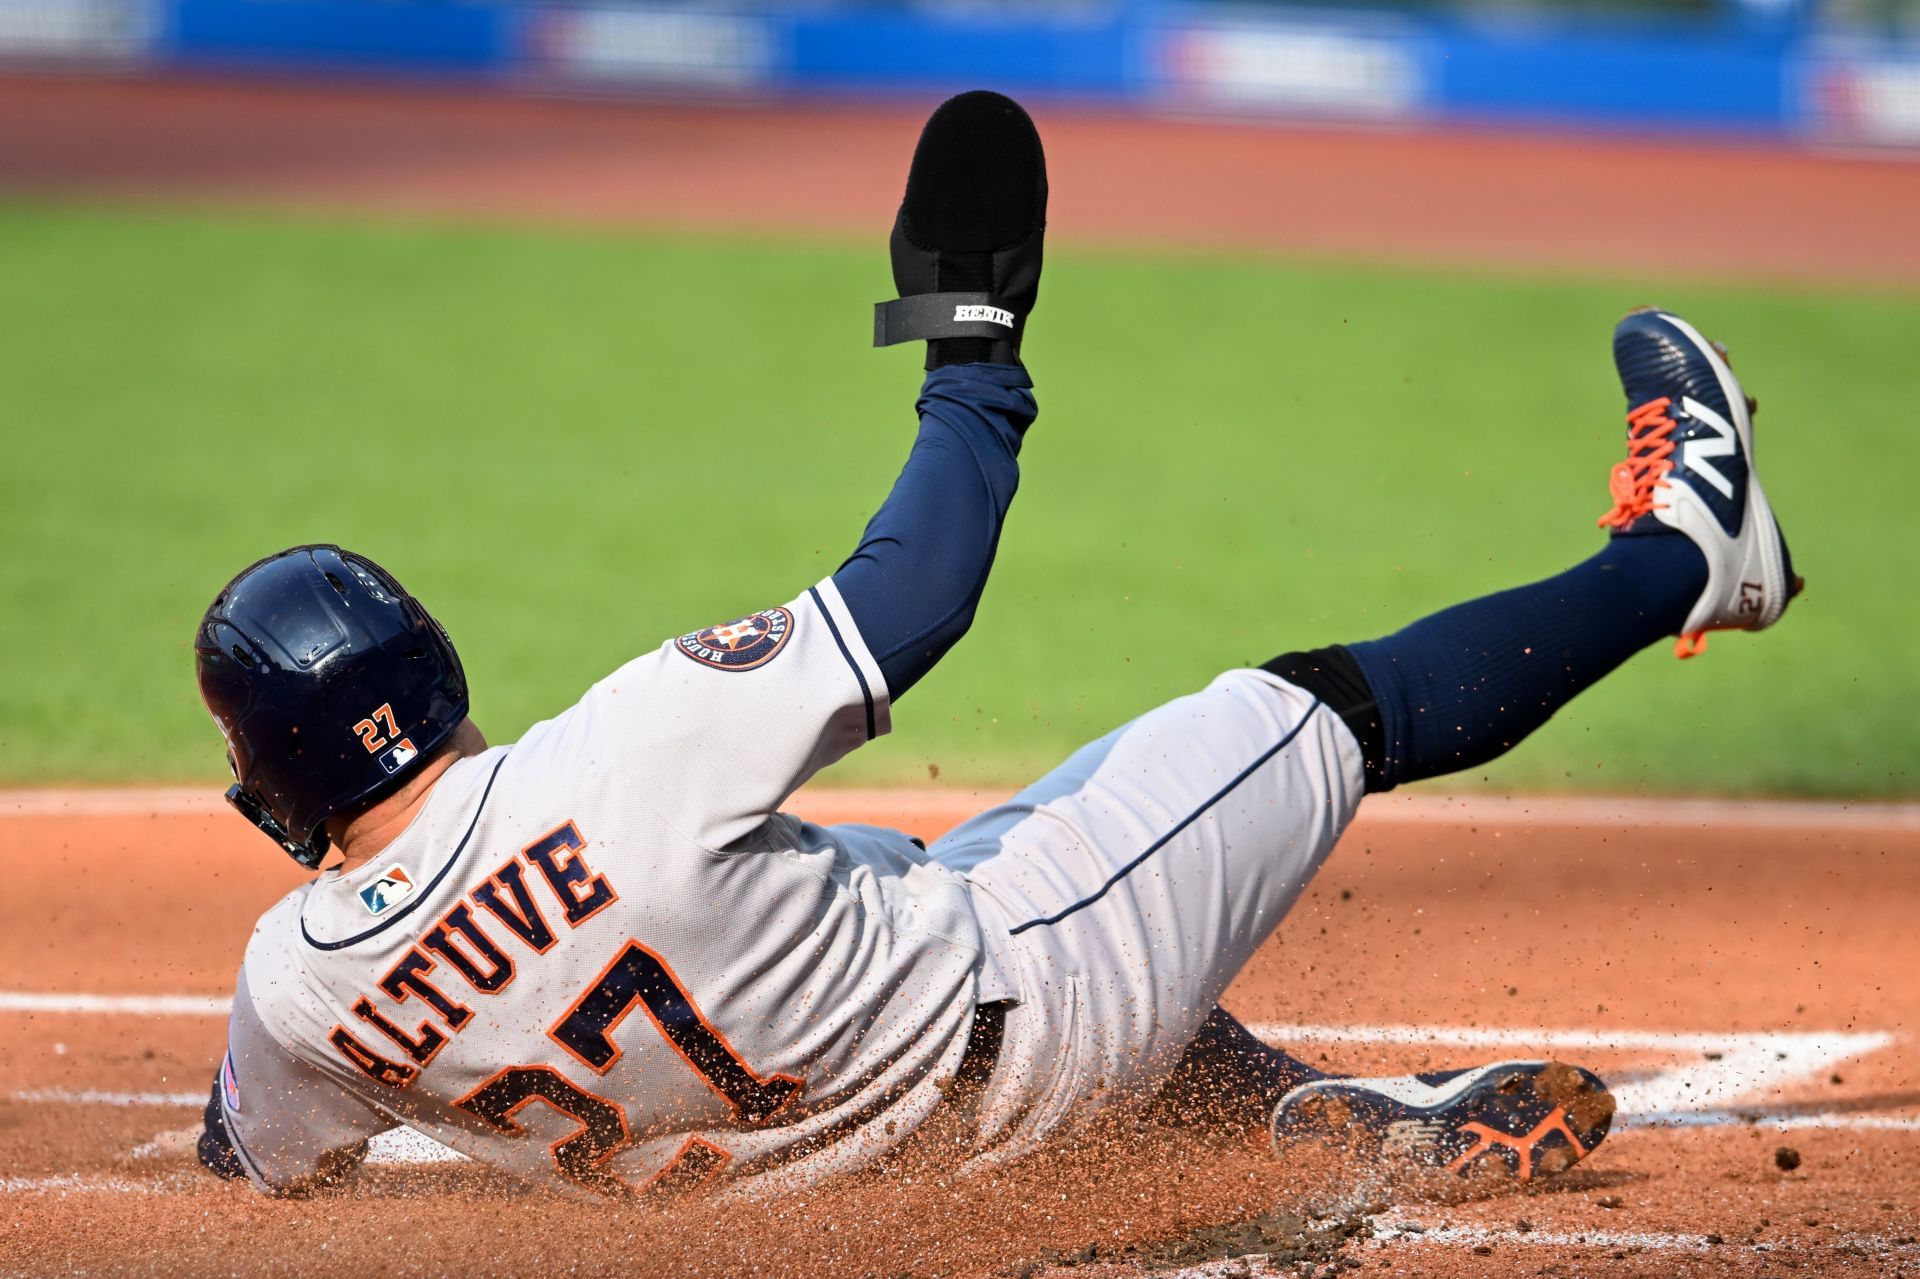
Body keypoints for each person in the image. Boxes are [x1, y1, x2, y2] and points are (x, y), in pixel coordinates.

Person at [192, 92, 1797, 1200]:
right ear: (429, 670)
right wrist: (970, 352)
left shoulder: (292, 997)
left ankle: (1315, 1125)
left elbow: (247, 1160)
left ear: (273, 775)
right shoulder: (623, 761)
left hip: (806, 1210)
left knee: (891, 878)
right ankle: (1691, 553)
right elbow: (921, 586)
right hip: (1027, 1038)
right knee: (1312, 711)